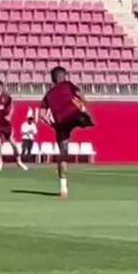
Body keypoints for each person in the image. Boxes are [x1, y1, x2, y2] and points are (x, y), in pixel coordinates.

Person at [39, 66, 94, 199]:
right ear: (64, 76)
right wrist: (83, 104)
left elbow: (41, 114)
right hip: (74, 115)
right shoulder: (69, 85)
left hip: (61, 123)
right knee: (82, 115)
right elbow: (81, 95)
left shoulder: (48, 95)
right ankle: (85, 119)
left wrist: (51, 124)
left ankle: (63, 188)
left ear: (52, 79)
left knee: (63, 153)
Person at [0, 79, 27, 172]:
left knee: (13, 143)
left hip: (6, 124)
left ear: (1, 87)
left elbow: (12, 106)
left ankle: (19, 161)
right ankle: (0, 162)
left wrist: (9, 115)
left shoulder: (6, 97)